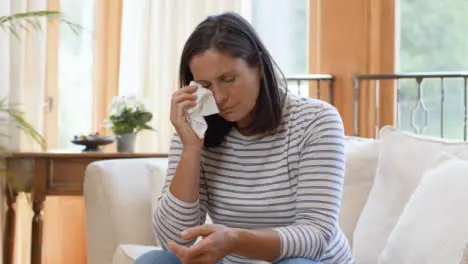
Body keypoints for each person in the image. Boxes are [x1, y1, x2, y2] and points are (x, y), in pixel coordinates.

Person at [135, 12, 354, 264]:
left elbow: (316, 235)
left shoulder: (315, 120)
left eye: (228, 79)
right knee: (155, 261)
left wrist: (236, 240)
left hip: (306, 260)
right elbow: (172, 239)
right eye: (206, 86)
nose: (218, 97)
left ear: (258, 67)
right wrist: (191, 149)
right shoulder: (195, 128)